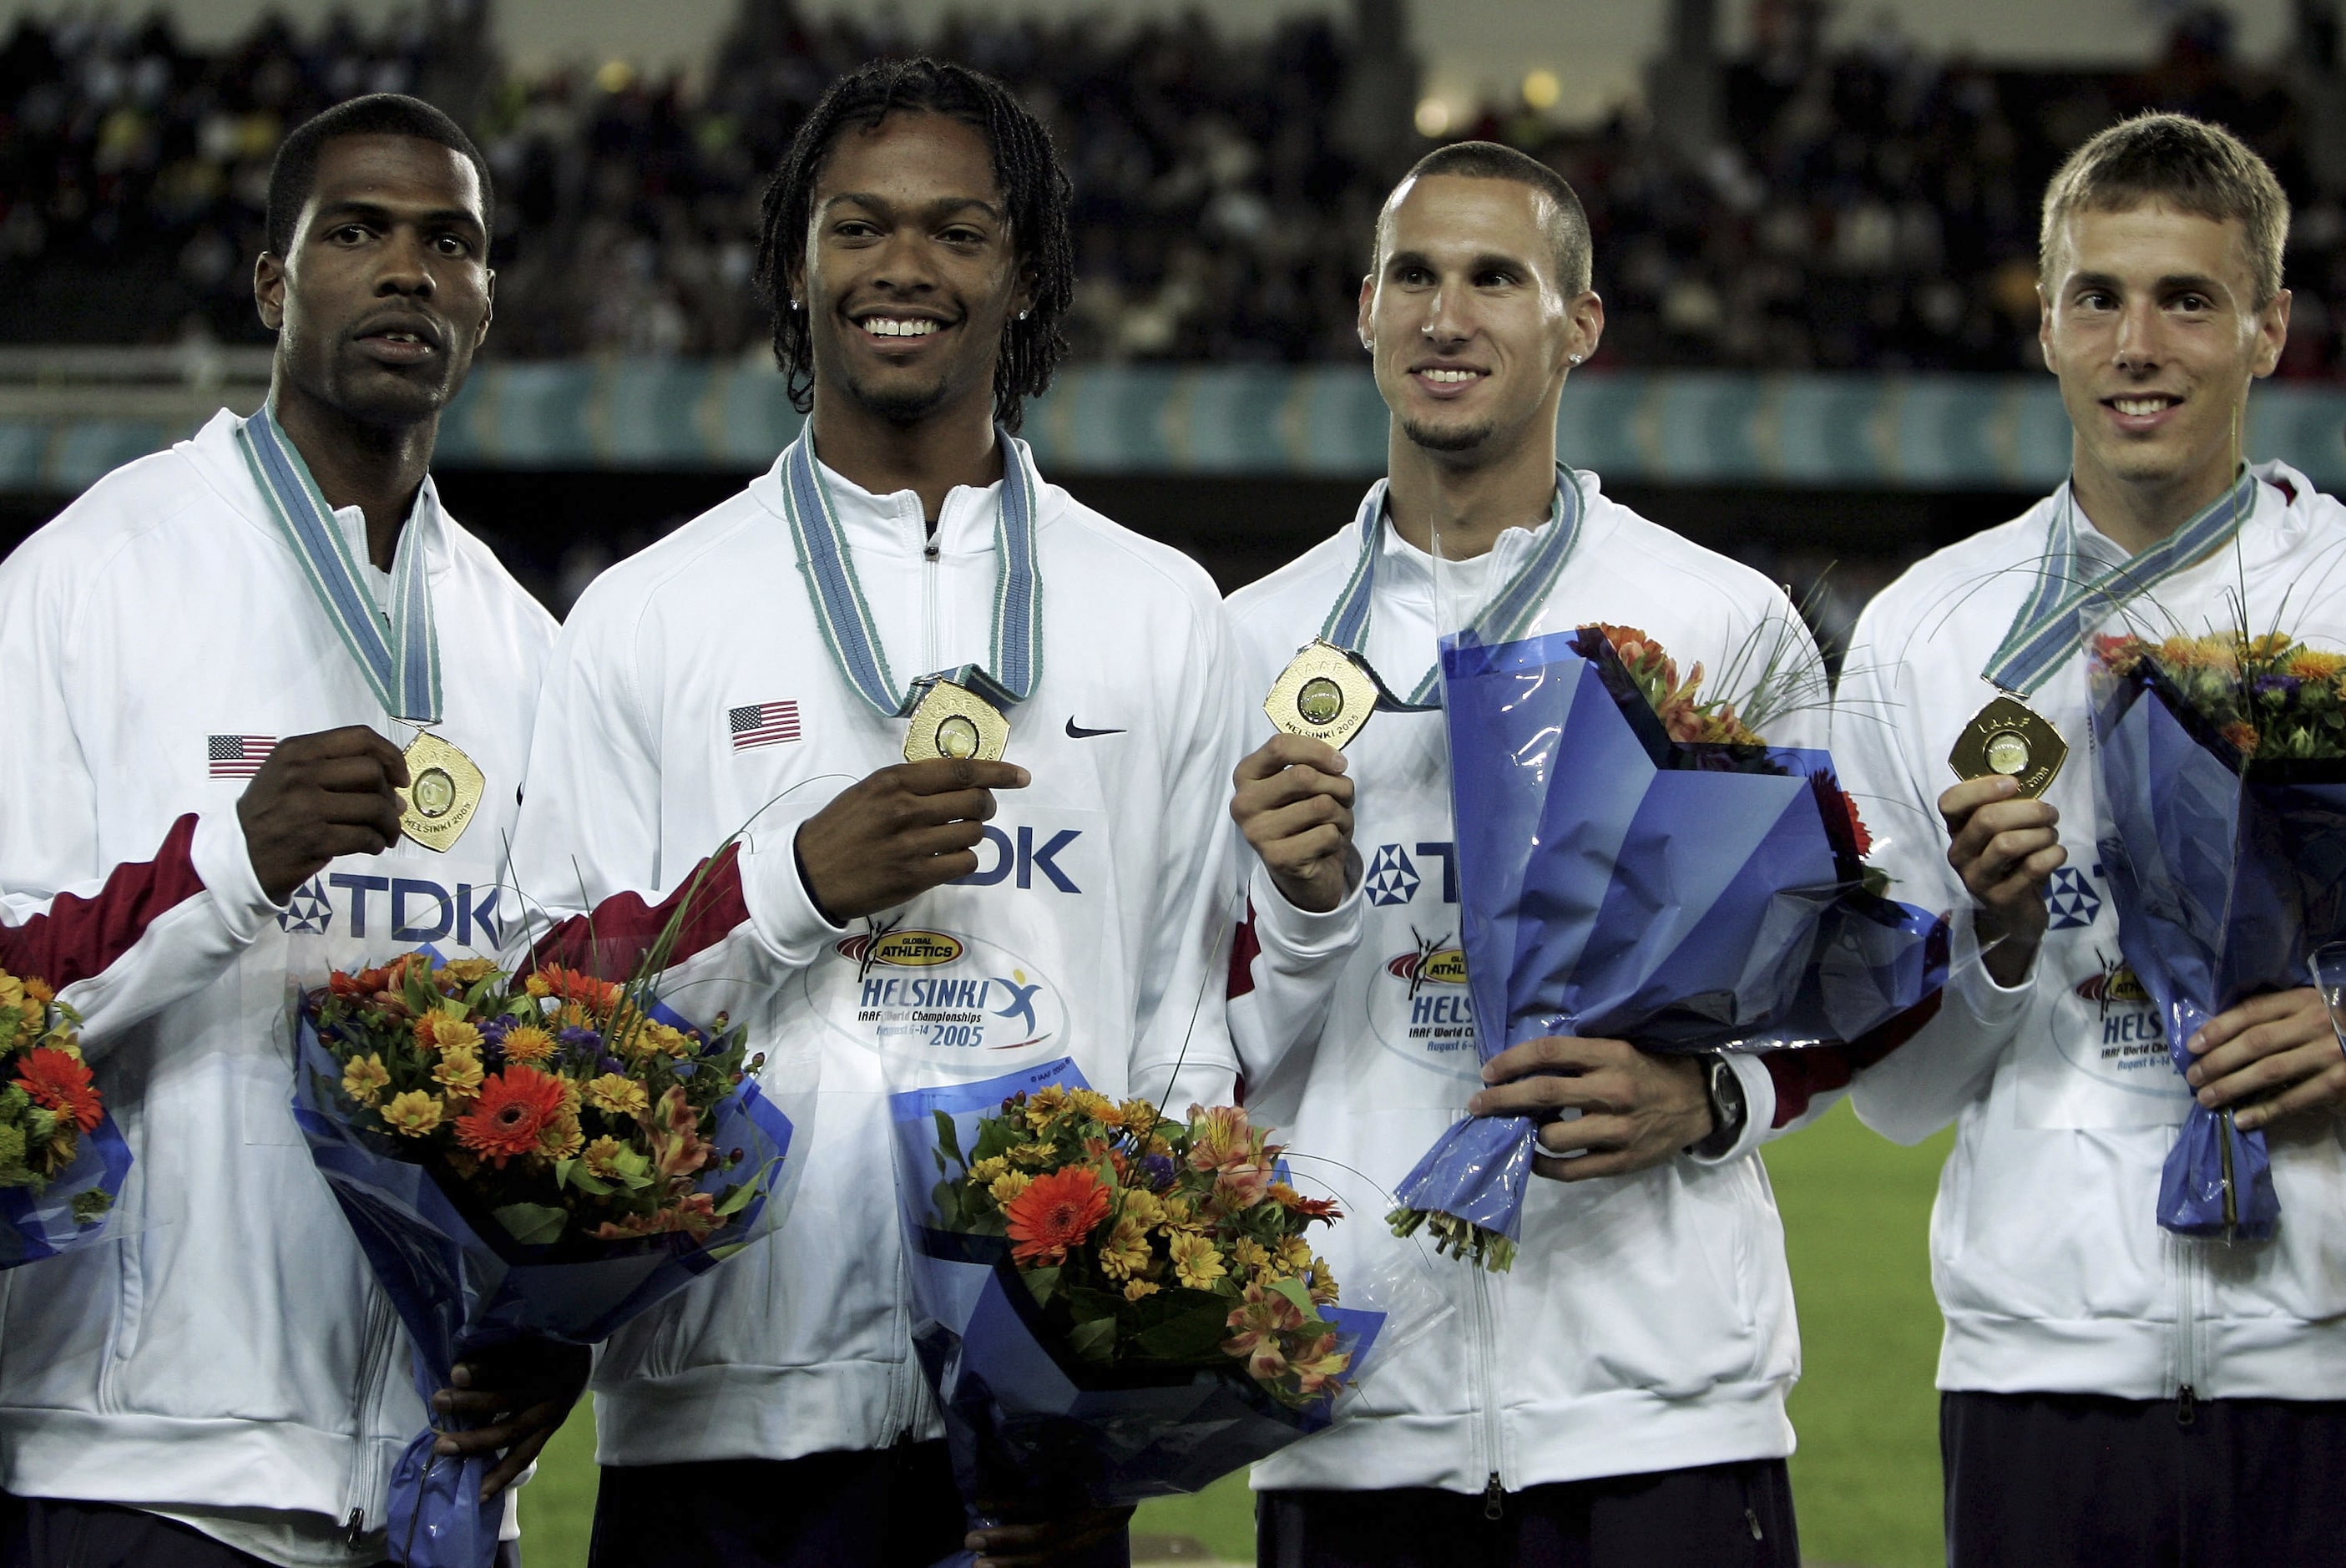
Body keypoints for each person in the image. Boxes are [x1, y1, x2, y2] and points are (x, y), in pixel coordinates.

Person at [507, 58, 1240, 1568]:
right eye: (859, 227)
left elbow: (1186, 1029)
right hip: (723, 1422)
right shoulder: (645, 614)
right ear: (797, 261)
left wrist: (1119, 1385)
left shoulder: (1161, 609)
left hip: (1032, 1434)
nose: (903, 267)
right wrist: (782, 884)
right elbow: (547, 1006)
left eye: (958, 232)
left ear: (1023, 272)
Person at [1221, 141, 1833, 1568]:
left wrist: (1714, 1097)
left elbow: (1832, 976)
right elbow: (1196, 1043)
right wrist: (1302, 912)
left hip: (1660, 1410)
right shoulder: (1245, 640)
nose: (1449, 314)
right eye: (1416, 277)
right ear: (1362, 310)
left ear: (1579, 323)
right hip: (1357, 1401)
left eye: (1496, 276)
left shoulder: (1720, 619)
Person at [0, 94, 569, 1568]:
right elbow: (10, 1003)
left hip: (432, 1481)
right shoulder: (89, 580)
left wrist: (550, 1326)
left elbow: (557, 1056)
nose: (408, 272)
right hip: (149, 1458)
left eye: (450, 243)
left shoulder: (520, 641)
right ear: (273, 283)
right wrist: (227, 865)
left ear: (487, 299)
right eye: (357, 233)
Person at [1837, 112, 2346, 1566]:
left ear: (2267, 329)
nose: (2139, 343)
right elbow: (1895, 1098)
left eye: (2187, 299)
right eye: (2096, 298)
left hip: (2318, 1368)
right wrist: (1990, 944)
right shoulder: (1921, 633)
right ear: (2047, 329)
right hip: (2036, 1374)